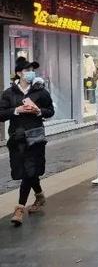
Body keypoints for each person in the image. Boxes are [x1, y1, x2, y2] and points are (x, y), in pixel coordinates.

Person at [0, 58, 54, 226]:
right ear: (18, 73)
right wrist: (16, 110)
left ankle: (19, 208)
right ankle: (39, 195)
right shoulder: (9, 93)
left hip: (35, 138)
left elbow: (50, 111)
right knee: (24, 172)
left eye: (32, 69)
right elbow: (1, 114)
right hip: (17, 138)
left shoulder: (40, 91)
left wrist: (39, 111)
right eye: (26, 69)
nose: (30, 72)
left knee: (29, 172)